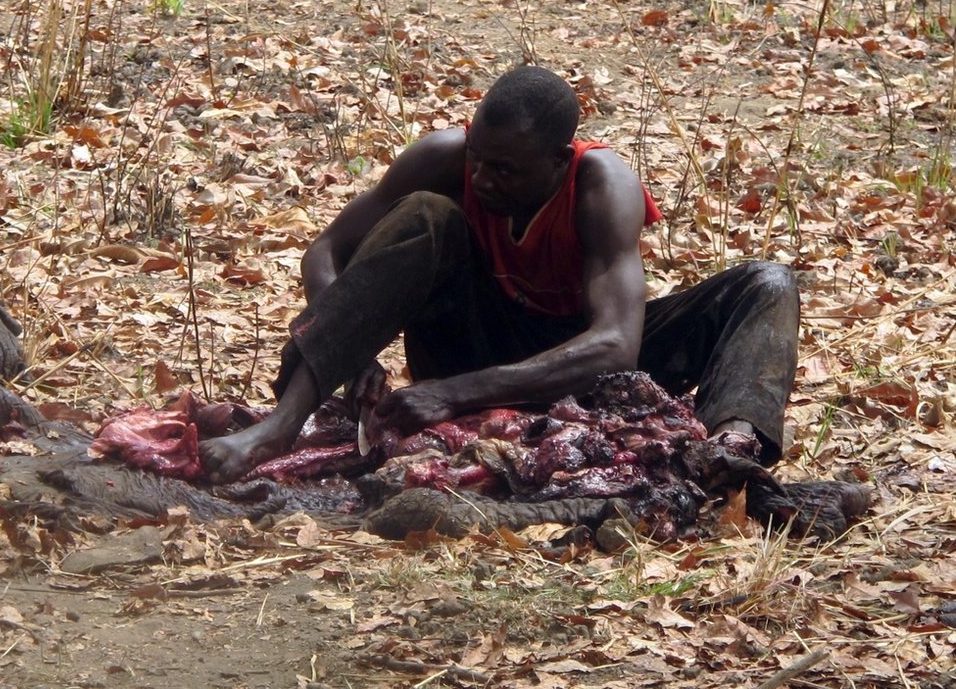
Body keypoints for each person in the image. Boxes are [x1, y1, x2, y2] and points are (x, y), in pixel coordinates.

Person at [199, 66, 799, 483]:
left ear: (559, 162)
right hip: (472, 342)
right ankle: (280, 427)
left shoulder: (601, 185)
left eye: (507, 170)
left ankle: (730, 451)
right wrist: (354, 358)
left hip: (578, 365)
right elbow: (325, 252)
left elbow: (617, 344)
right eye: (480, 159)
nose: (484, 180)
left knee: (766, 283)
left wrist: (451, 396)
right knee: (426, 213)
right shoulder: (444, 159)